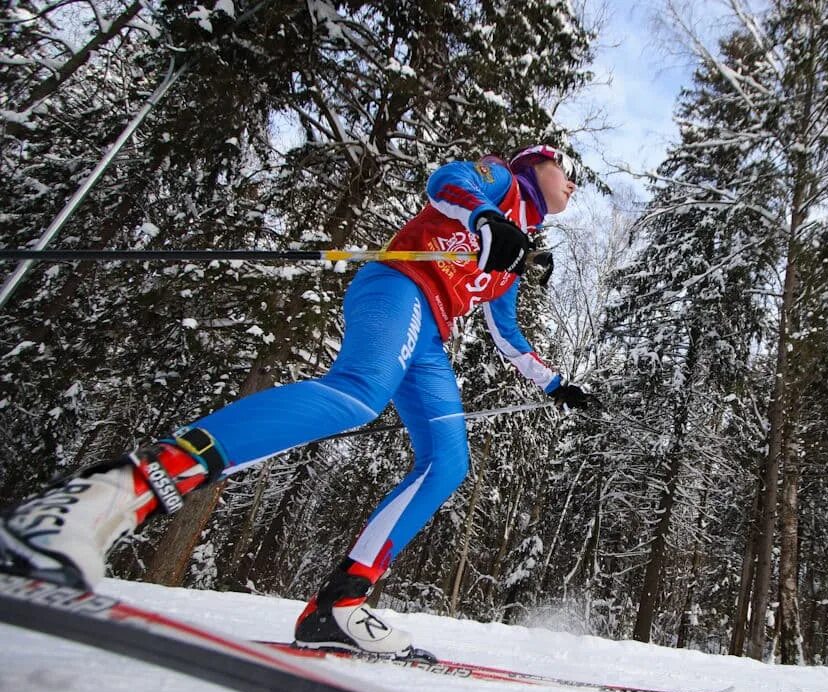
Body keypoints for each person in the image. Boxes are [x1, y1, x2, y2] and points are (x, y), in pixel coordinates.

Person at [0, 144, 596, 659]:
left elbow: (507, 332)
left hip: (431, 337)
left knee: (447, 463)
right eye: (565, 167)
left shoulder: (517, 249)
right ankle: (103, 498)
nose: (572, 180)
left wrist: (554, 383)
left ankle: (339, 606)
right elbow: (447, 182)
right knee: (356, 396)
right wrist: (488, 215)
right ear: (534, 165)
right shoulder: (499, 181)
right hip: (398, 290)